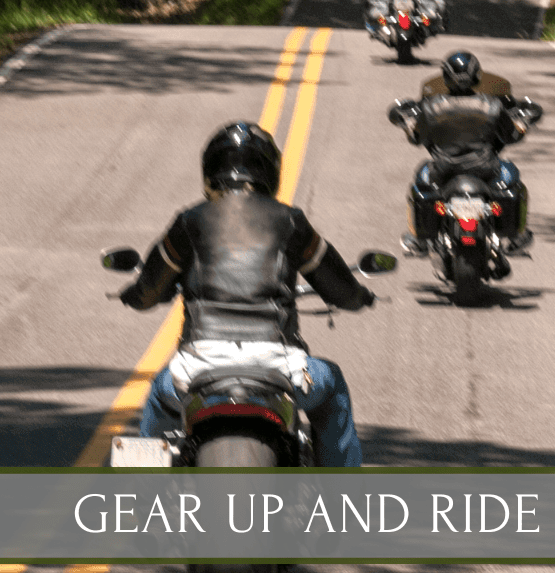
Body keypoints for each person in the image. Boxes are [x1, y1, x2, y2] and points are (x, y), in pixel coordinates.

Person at [120, 123, 377, 468]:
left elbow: (149, 290)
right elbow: (340, 289)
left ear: (211, 172)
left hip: (199, 364)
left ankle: (141, 505)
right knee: (332, 388)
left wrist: (133, 295)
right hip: (278, 362)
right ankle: (343, 507)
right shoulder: (291, 221)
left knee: (157, 397)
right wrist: (361, 297)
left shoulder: (189, 221)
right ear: (270, 173)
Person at [390, 51, 542, 256]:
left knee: (421, 176)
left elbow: (416, 138)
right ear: (477, 76)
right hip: (486, 169)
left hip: (443, 170)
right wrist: (523, 124)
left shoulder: (431, 107)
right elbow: (510, 136)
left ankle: (419, 238)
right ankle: (517, 236)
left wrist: (408, 124)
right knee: (511, 172)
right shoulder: (493, 105)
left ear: (446, 77)